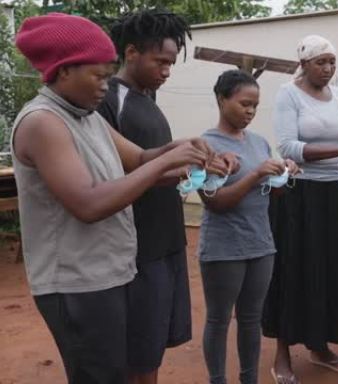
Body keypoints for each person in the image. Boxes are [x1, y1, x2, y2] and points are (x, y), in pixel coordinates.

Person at [11, 13, 226, 384]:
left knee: (116, 370)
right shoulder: (44, 122)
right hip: (76, 284)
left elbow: (140, 159)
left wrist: (183, 149)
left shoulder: (87, 116)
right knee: (101, 375)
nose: (105, 86)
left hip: (108, 273)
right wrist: (166, 163)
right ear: (64, 71)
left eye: (109, 75)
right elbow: (89, 204)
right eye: (99, 76)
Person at [96, 10, 238, 384]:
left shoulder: (146, 100)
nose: (167, 70)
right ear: (130, 53)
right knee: (138, 354)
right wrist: (187, 168)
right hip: (136, 248)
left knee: (151, 348)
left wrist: (200, 166)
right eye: (160, 61)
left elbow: (153, 165)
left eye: (171, 63)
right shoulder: (108, 98)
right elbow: (116, 173)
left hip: (164, 240)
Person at [261, 35, 338, 383]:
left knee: (331, 269)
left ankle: (320, 346)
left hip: (333, 194)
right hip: (299, 196)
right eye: (321, 62)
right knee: (294, 269)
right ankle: (282, 354)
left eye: (332, 62)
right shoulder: (288, 94)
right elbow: (287, 146)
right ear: (304, 64)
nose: (328, 69)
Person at [198, 70, 300, 384]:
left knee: (251, 319)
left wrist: (285, 174)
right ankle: (218, 379)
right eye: (244, 103)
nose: (250, 111)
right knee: (218, 319)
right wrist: (256, 174)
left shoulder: (259, 142)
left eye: (255, 106)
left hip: (260, 244)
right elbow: (214, 202)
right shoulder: (205, 146)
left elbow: (273, 192)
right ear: (221, 99)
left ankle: (249, 379)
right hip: (224, 248)